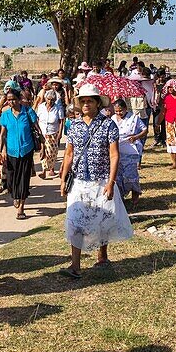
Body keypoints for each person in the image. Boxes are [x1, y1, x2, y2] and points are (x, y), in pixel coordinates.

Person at [58, 84, 131, 278]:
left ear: (98, 103)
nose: (86, 104)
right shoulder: (75, 126)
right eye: (83, 101)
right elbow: (69, 153)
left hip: (101, 180)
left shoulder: (108, 125)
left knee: (102, 218)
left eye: (90, 100)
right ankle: (75, 265)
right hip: (79, 181)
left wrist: (111, 182)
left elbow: (114, 155)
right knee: (75, 220)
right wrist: (63, 178)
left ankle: (102, 256)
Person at [0, 88, 41, 219]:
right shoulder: (5, 115)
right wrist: (0, 151)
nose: (11, 102)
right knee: (11, 180)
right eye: (9, 100)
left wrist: (43, 145)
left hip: (26, 150)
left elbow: (37, 129)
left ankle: (21, 207)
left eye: (14, 99)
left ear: (19, 99)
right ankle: (15, 195)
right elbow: (2, 134)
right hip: (11, 152)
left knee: (24, 178)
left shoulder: (28, 112)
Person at [111, 98, 147, 202]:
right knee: (118, 174)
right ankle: (120, 196)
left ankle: (135, 194)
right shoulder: (112, 118)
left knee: (130, 173)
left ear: (126, 109)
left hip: (130, 149)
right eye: (116, 111)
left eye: (120, 110)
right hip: (116, 148)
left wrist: (136, 137)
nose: (118, 113)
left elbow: (144, 130)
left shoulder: (134, 118)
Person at [36, 89, 66, 179]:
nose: (50, 101)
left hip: (53, 133)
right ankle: (44, 171)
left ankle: (51, 168)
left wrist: (60, 133)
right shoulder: (41, 107)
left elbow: (61, 121)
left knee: (52, 153)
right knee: (44, 152)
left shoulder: (58, 108)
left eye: (52, 99)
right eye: (49, 99)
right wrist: (37, 130)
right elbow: (37, 118)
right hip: (42, 133)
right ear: (45, 98)